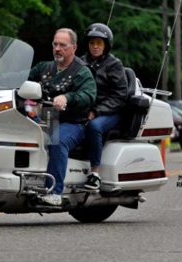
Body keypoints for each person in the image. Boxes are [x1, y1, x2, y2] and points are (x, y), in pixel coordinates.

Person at [29, 28, 96, 205]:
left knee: (57, 141)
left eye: (63, 45)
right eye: (55, 44)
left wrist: (68, 97)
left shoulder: (82, 72)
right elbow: (23, 78)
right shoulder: (45, 68)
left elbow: (89, 96)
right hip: (46, 118)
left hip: (73, 123)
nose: (57, 48)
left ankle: (54, 192)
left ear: (73, 48)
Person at [81, 23, 128, 190]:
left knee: (94, 127)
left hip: (111, 111)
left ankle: (95, 174)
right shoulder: (81, 61)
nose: (95, 46)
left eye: (99, 43)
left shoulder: (114, 64)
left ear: (106, 45)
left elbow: (120, 95)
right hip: (86, 109)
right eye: (92, 43)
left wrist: (96, 111)